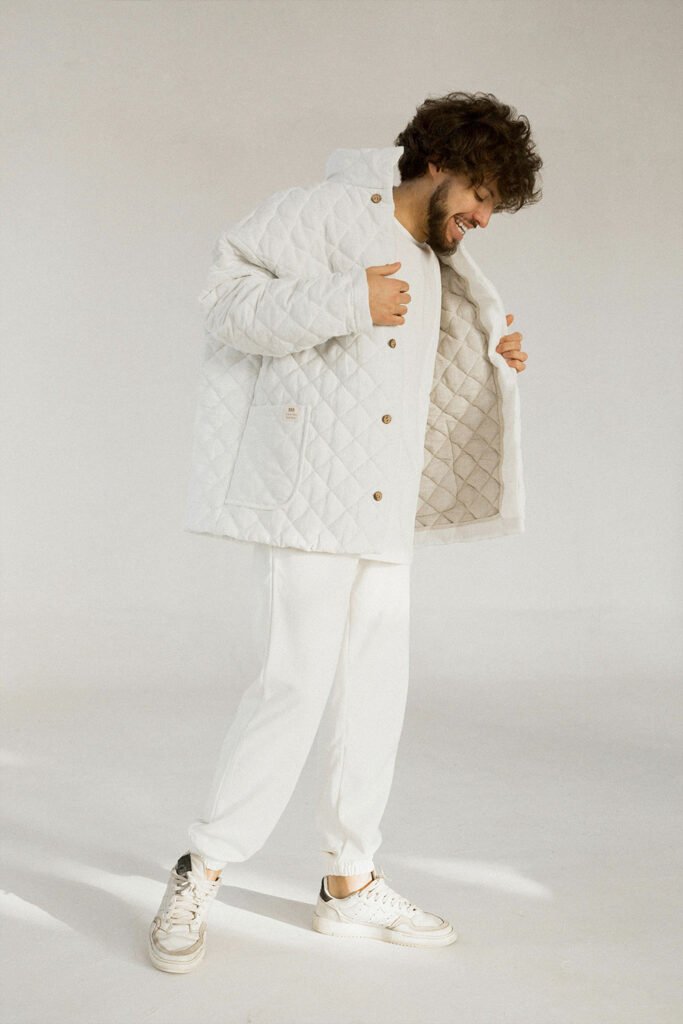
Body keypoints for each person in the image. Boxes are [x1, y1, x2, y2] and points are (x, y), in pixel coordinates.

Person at [148, 90, 542, 973]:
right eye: (480, 195)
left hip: (381, 506)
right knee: (290, 687)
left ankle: (349, 881)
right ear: (437, 163)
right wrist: (346, 298)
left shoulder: (437, 258)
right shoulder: (322, 212)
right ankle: (200, 869)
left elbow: (410, 370)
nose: (483, 218)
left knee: (374, 695)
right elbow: (223, 303)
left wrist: (491, 356)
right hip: (306, 500)